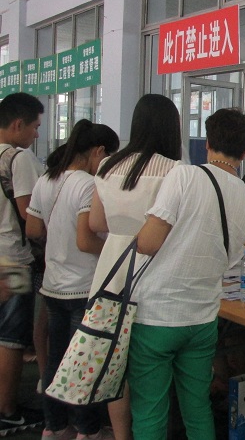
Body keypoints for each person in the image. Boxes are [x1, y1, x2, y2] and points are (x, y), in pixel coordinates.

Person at [130, 108, 245, 440]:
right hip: (202, 317)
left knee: (150, 411)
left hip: (157, 314)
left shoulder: (184, 176)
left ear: (208, 143)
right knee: (198, 408)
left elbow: (148, 242)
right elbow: (232, 258)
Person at [88, 93, 182, 440]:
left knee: (116, 366)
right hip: (155, 270)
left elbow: (96, 222)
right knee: (151, 366)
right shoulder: (175, 171)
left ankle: (121, 436)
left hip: (111, 269)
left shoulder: (106, 166)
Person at [26, 119, 120, 440]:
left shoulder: (47, 178)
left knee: (55, 359)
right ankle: (87, 430)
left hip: (53, 284)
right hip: (83, 286)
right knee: (84, 363)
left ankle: (54, 426)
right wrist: (117, 247)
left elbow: (33, 229)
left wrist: (57, 243)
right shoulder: (88, 185)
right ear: (98, 151)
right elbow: (85, 240)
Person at [0, 92, 44, 436]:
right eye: (35, 127)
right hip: (12, 261)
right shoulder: (19, 158)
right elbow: (29, 215)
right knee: (11, 338)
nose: (36, 134)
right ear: (18, 124)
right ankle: (8, 410)